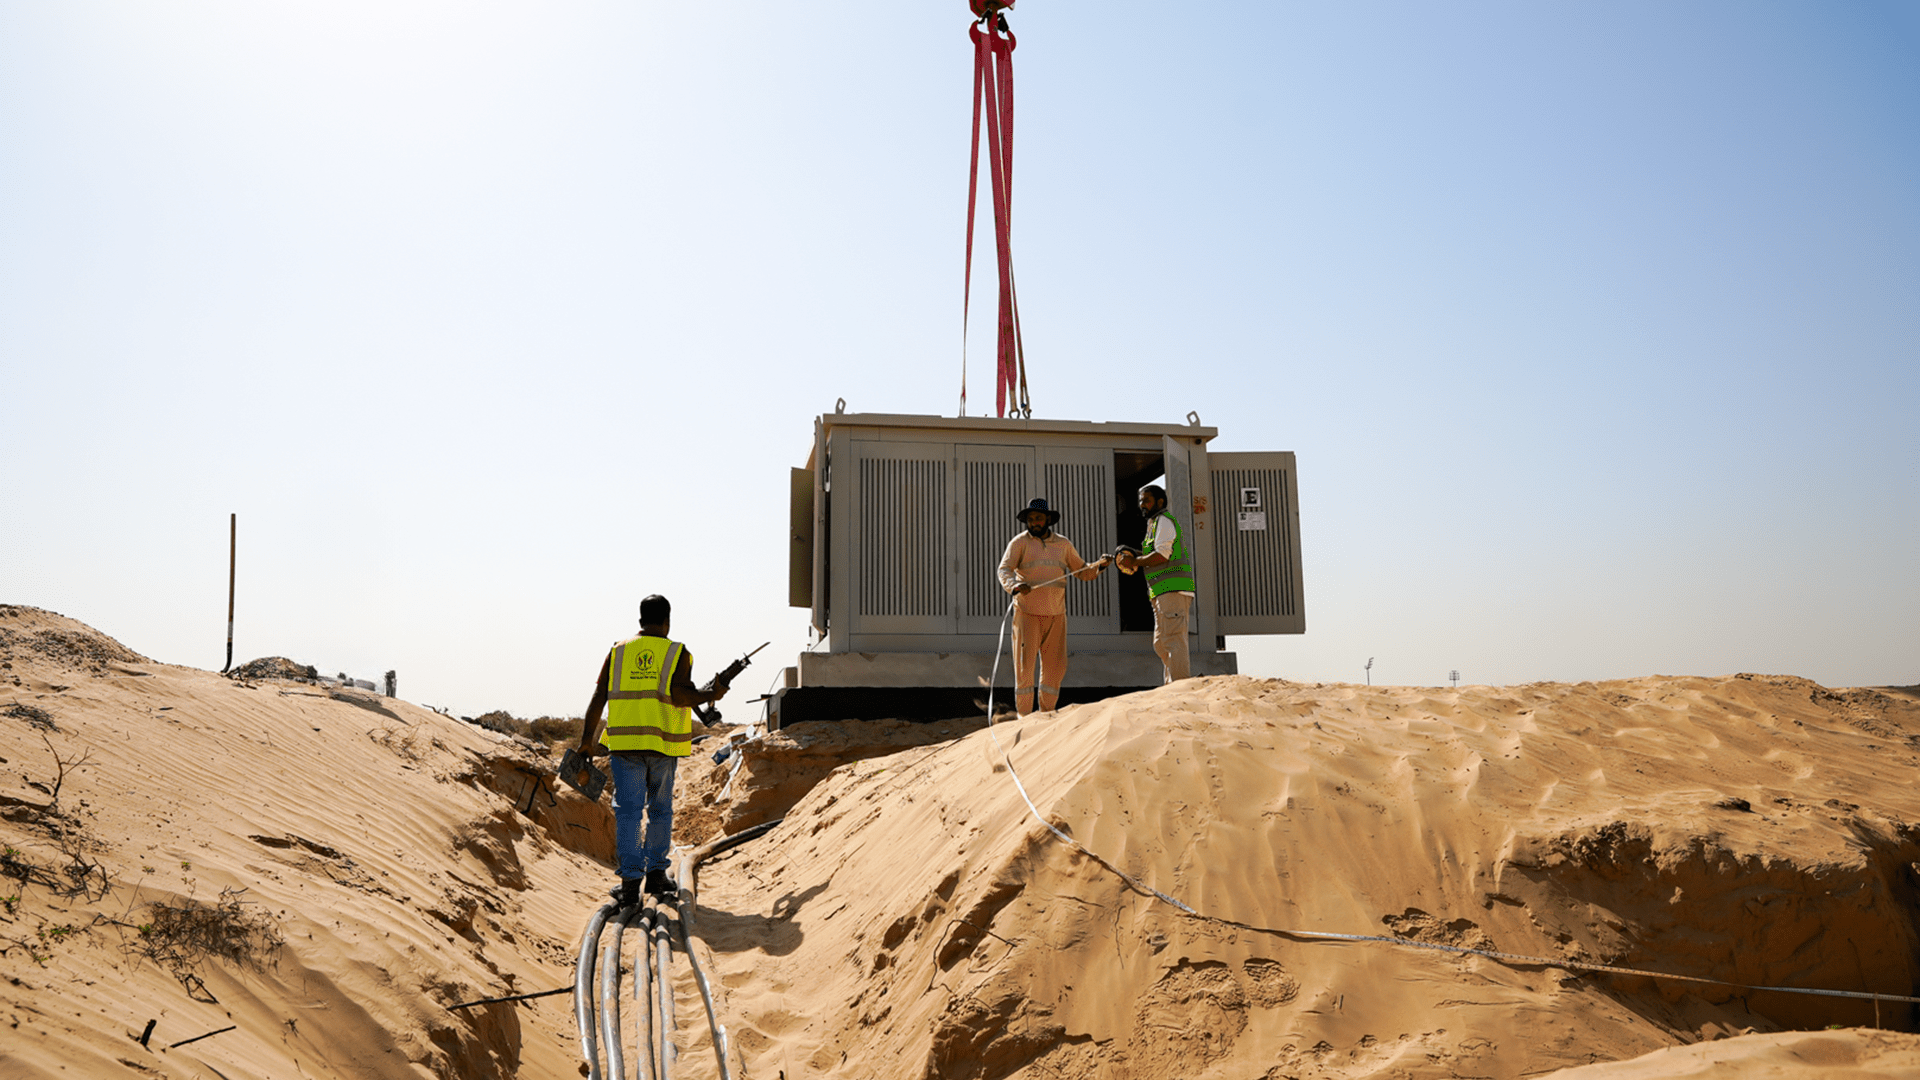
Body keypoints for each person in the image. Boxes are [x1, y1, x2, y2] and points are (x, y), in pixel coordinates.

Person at [572, 594, 730, 907]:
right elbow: (681, 696)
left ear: (640, 620)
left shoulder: (618, 651)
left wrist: (586, 740)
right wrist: (713, 693)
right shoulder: (677, 652)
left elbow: (599, 696)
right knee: (660, 810)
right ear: (667, 621)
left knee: (628, 813)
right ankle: (657, 875)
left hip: (625, 746)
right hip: (661, 746)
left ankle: (630, 885)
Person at [997, 498, 1112, 715]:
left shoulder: (1063, 544)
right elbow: (1004, 570)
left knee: (1055, 668)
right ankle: (1024, 717)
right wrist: (1014, 586)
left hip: (1056, 615)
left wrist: (1100, 565)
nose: (1034, 523)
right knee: (1024, 669)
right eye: (1031, 519)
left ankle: (1047, 714)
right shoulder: (1019, 543)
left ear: (1048, 519)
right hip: (1026, 614)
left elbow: (1083, 572)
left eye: (1038, 518)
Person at [1115, 484, 1193, 684]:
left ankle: (1180, 687)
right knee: (1161, 643)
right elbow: (1151, 555)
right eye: (1141, 501)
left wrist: (1134, 561)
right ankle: (1171, 686)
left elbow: (1161, 556)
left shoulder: (1164, 521)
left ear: (1160, 502)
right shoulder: (1154, 524)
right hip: (1161, 592)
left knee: (1173, 641)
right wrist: (1131, 554)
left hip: (1173, 590)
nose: (1142, 505)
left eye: (1147, 501)